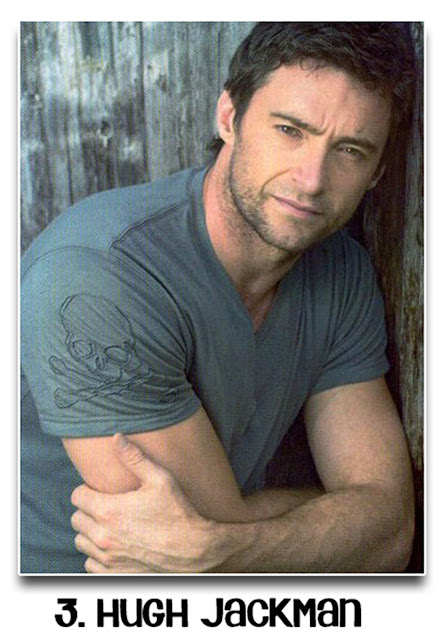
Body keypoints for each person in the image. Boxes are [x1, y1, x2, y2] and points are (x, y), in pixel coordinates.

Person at [21, 22, 417, 574]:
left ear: (376, 174)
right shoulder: (98, 270)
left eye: (350, 150)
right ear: (229, 117)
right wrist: (339, 513)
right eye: (290, 130)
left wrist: (226, 548)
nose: (311, 180)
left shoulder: (341, 273)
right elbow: (177, 548)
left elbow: (391, 533)